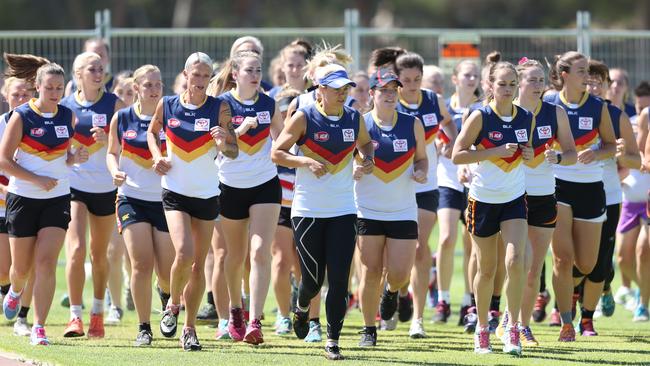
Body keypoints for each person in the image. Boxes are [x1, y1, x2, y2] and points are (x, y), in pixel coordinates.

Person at [271, 64, 374, 360]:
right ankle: (301, 308)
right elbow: (276, 152)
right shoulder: (304, 117)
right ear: (321, 89)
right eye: (337, 88)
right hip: (307, 210)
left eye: (346, 88)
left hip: (343, 209)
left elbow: (366, 144)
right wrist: (305, 163)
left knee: (340, 280)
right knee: (313, 281)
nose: (343, 94)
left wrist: (367, 160)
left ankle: (332, 340)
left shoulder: (355, 118)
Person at [147, 52, 237, 351]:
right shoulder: (168, 104)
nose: (200, 81)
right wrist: (158, 156)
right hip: (175, 191)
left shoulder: (219, 107)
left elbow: (234, 151)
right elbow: (152, 132)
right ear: (185, 74)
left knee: (199, 266)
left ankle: (189, 328)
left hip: (207, 194)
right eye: (195, 75)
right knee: (184, 253)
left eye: (205, 76)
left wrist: (224, 140)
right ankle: (173, 304)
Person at [0, 53, 87, 345]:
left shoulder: (67, 115)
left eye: (59, 88)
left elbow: (65, 155)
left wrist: (75, 157)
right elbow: (3, 161)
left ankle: (39, 327)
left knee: (46, 262)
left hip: (58, 198)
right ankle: (15, 291)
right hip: (23, 198)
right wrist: (36, 179)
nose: (54, 93)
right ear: (37, 87)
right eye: (49, 88)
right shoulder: (21, 115)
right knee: (21, 270)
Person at [452, 56, 534, 356]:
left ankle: (511, 329)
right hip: (482, 199)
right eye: (502, 84)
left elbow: (530, 152)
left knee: (516, 262)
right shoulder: (480, 116)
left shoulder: (526, 117)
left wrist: (527, 154)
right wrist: (496, 151)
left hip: (514, 199)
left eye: (513, 84)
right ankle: (482, 328)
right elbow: (457, 155)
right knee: (487, 269)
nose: (508, 89)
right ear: (491, 86)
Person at [212, 50, 284, 344]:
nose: (255, 76)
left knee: (259, 252)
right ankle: (235, 310)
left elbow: (281, 140)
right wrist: (240, 129)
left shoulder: (269, 103)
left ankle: (255, 320)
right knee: (235, 255)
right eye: (249, 71)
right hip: (229, 186)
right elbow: (217, 148)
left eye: (258, 71)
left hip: (265, 185)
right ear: (235, 74)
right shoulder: (221, 104)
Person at [544, 51, 616, 342]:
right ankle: (565, 321)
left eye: (588, 71)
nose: (588, 77)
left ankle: (571, 296)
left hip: (591, 189)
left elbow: (611, 146)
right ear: (564, 75)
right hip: (557, 186)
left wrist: (597, 152)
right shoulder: (548, 102)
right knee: (562, 258)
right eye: (581, 71)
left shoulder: (598, 106)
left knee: (586, 264)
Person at [355, 69, 428, 346]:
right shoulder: (360, 123)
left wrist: (421, 172)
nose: (388, 95)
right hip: (368, 209)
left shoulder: (412, 124)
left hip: (403, 211)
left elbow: (421, 160)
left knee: (399, 273)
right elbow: (350, 159)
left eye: (392, 90)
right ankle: (368, 330)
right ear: (371, 93)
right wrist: (356, 169)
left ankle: (392, 291)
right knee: (370, 271)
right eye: (383, 89)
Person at [509, 57, 576, 346]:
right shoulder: (506, 113)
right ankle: (506, 321)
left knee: (534, 267)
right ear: (519, 83)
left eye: (541, 80)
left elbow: (571, 152)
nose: (538, 85)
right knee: (515, 263)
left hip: (545, 196)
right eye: (532, 80)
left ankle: (522, 326)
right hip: (512, 197)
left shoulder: (555, 113)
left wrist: (558, 157)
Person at [106, 64, 175, 346]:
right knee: (141, 263)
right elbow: (112, 153)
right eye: (148, 85)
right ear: (136, 88)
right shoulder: (122, 118)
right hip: (130, 198)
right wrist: (114, 171)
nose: (154, 89)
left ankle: (167, 295)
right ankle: (144, 327)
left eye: (158, 84)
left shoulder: (171, 116)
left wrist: (168, 163)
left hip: (166, 199)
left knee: (167, 269)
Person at [60, 51, 125, 338]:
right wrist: (71, 156)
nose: (98, 73)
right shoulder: (65, 106)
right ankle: (75, 316)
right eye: (92, 69)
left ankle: (97, 312)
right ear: (78, 75)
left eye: (101, 68)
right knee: (75, 250)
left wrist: (110, 139)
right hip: (74, 186)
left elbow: (133, 144)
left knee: (100, 255)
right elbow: (55, 150)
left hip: (106, 188)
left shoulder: (115, 105)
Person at [393, 52, 457, 338]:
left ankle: (418, 318)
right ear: (397, 79)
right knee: (396, 256)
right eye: (406, 80)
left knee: (419, 248)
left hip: (428, 185)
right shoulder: (389, 100)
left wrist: (450, 144)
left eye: (416, 79)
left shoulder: (432, 99)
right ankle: (396, 292)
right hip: (393, 188)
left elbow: (448, 123)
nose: (412, 85)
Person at [584, 60, 640, 327]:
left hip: (609, 195)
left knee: (601, 257)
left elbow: (636, 161)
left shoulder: (616, 115)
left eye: (600, 82)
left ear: (607, 86)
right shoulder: (565, 112)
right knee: (577, 255)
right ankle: (576, 310)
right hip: (573, 194)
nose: (594, 86)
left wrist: (619, 156)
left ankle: (604, 288)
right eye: (590, 80)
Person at [440, 59, 482, 332]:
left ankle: (469, 301)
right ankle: (443, 299)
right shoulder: (443, 106)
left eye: (476, 75)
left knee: (471, 244)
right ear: (455, 78)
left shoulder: (481, 109)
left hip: (471, 181)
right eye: (466, 74)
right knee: (445, 238)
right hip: (446, 180)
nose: (471, 79)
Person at [0, 75, 37, 337]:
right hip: (3, 205)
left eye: (26, 94)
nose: (22, 100)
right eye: (16, 95)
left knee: (30, 264)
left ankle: (24, 317)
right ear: (6, 96)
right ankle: (6, 290)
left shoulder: (40, 126)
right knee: (6, 271)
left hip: (32, 204)